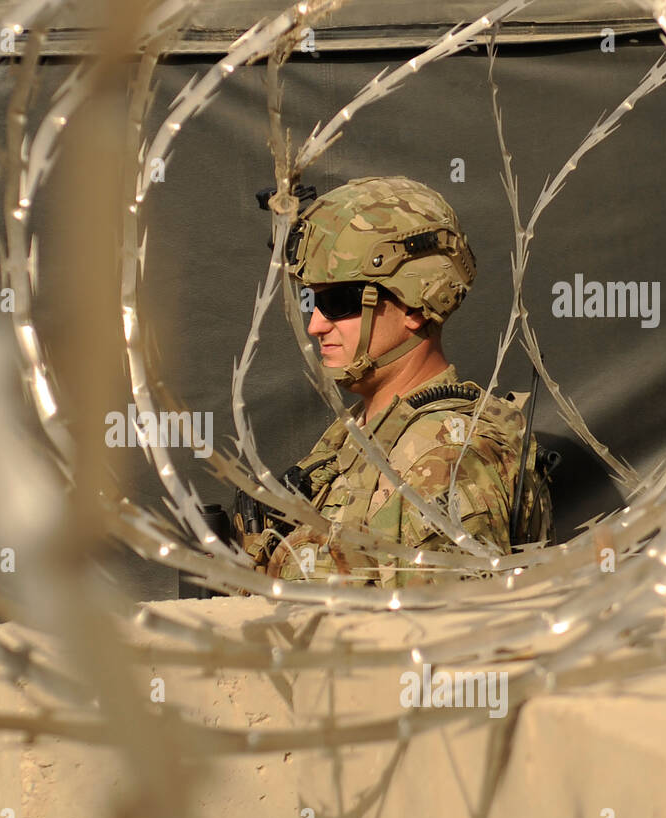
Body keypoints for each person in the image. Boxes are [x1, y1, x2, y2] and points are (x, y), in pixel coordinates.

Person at [235, 175, 553, 587]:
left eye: (338, 302)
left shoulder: (444, 460)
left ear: (417, 303)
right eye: (313, 300)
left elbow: (441, 641)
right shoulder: (360, 435)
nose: (315, 325)